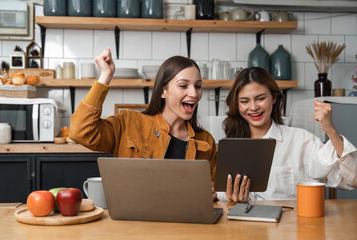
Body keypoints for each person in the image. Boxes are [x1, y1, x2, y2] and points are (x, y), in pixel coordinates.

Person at [70, 48, 217, 197]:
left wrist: (212, 194)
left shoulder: (206, 141)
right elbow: (80, 131)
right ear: (162, 91)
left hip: (186, 218)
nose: (194, 93)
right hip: (132, 218)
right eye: (183, 85)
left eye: (198, 86)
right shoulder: (128, 123)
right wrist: (106, 76)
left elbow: (214, 193)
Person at [217, 67, 357, 202]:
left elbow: (352, 180)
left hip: (289, 225)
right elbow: (221, 196)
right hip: (242, 225)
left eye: (260, 98)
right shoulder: (230, 146)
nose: (253, 107)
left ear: (274, 98)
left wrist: (330, 130)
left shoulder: (301, 141)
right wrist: (229, 198)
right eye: (244, 101)